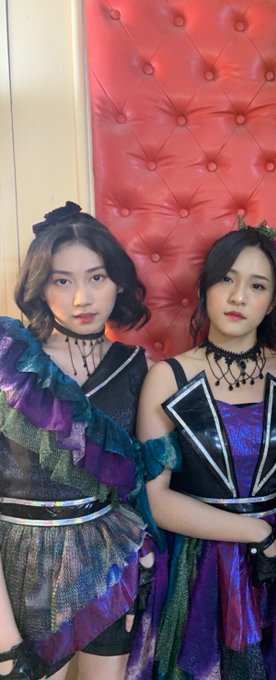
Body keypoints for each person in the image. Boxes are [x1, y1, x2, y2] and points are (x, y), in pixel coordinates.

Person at [137, 223, 276, 680]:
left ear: (272, 301)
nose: (238, 297)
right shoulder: (168, 377)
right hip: (200, 566)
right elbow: (155, 500)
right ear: (205, 288)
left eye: (257, 286)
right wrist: (254, 532)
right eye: (227, 279)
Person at [0, 202, 160, 680]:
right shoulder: (10, 362)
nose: (81, 298)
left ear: (118, 282)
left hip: (107, 563)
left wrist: (139, 565)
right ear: (39, 286)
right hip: (21, 567)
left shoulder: (139, 368)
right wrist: (4, 642)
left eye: (96, 277)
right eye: (61, 280)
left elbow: (138, 485)